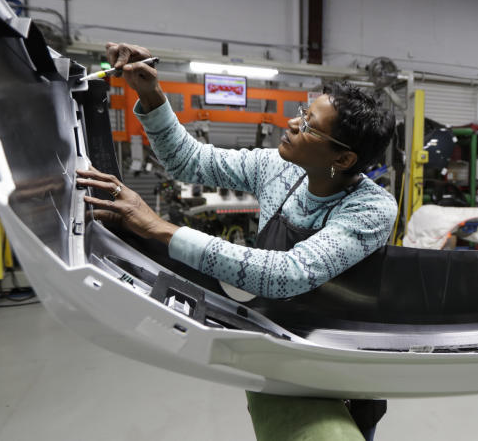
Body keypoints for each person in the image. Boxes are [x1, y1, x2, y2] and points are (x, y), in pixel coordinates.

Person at [76, 42, 397, 441]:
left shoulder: (372, 208)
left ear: (344, 159)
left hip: (341, 361)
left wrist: (159, 228)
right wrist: (150, 94)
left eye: (308, 125)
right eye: (301, 112)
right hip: (276, 341)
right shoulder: (277, 168)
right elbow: (188, 161)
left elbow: (289, 274)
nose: (292, 124)